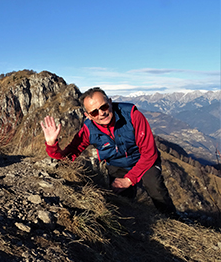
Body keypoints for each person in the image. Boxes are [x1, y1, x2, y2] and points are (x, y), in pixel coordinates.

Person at [41, 87, 177, 216]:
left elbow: (149, 152)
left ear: (110, 102)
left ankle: (173, 220)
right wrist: (52, 144)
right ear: (88, 115)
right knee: (122, 202)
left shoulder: (132, 115)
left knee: (155, 187)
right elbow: (68, 156)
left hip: (143, 159)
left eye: (104, 106)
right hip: (117, 165)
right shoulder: (88, 130)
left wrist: (129, 179)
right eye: (94, 112)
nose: (101, 113)